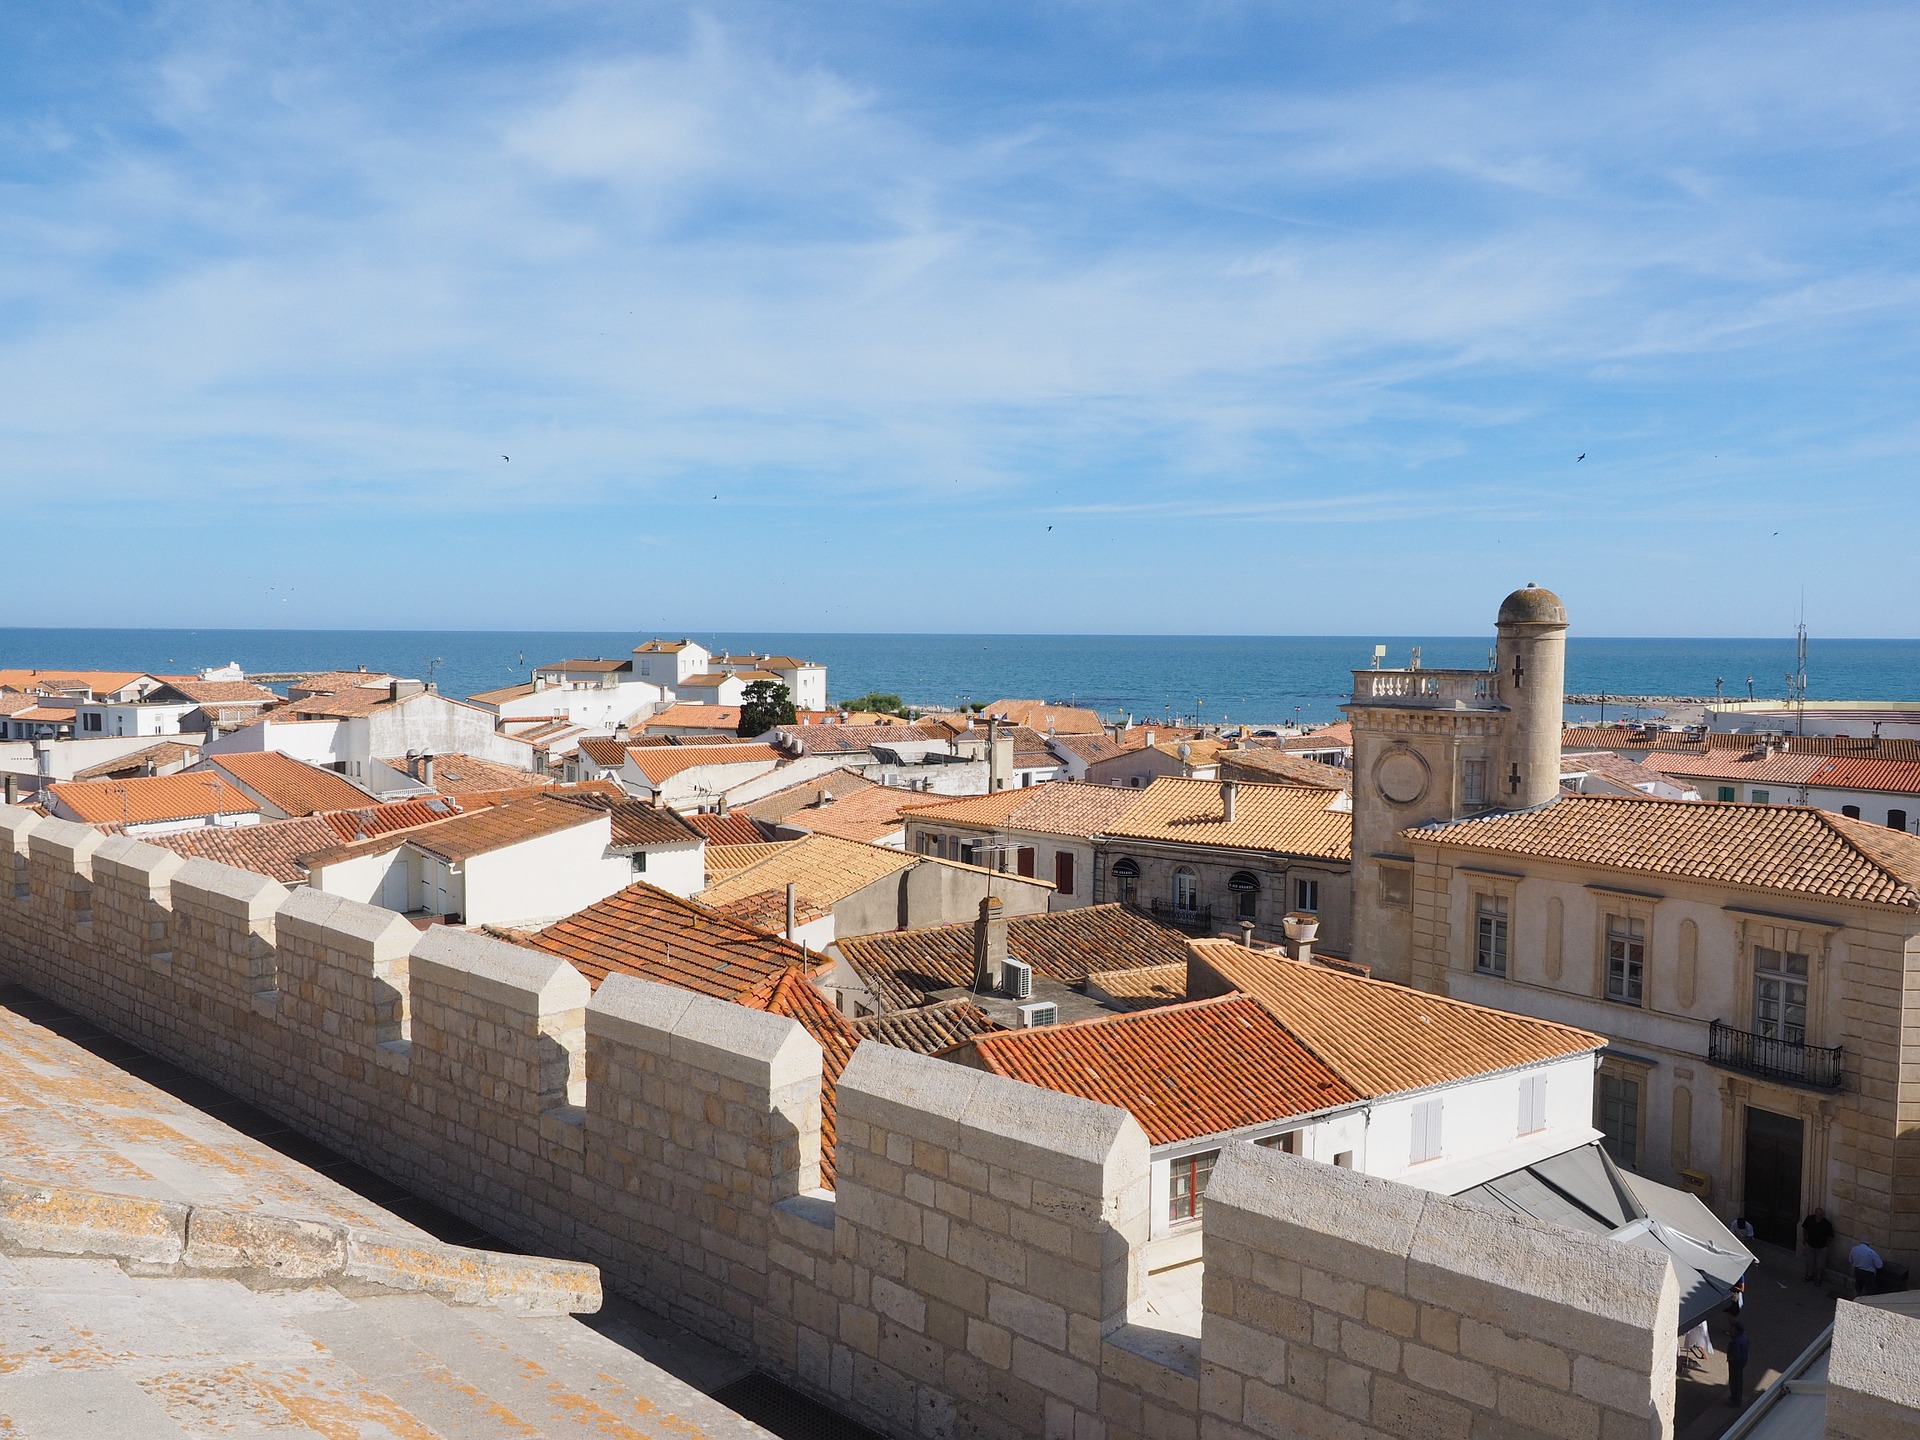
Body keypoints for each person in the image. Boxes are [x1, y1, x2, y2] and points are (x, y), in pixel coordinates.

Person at [1802, 1207, 1835, 1283]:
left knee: (1820, 1264)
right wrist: (1804, 1238)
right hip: (1810, 1244)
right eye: (1819, 1214)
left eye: (1822, 1214)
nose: (1821, 1216)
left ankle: (1818, 1278)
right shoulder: (1810, 1219)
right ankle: (1809, 1275)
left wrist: (1826, 1244)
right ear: (1816, 1213)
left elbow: (1831, 1235)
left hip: (1821, 1247)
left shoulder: (1826, 1223)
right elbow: (1805, 1229)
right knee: (1809, 1262)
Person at [1727, 1321, 1749, 1408]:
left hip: (1735, 1363)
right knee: (1739, 1380)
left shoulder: (1736, 1341)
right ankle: (1737, 1397)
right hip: (1743, 1361)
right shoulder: (1744, 1337)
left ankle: (1735, 1400)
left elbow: (1736, 1355)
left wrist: (1730, 1359)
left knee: (1734, 1381)